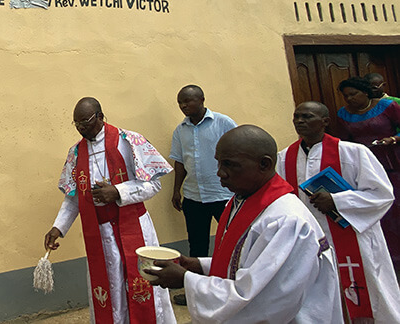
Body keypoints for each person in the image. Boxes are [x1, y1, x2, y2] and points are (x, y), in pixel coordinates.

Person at [146, 125, 343, 323]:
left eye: (230, 165)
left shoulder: (285, 220)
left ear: (264, 164)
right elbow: (250, 262)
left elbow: (261, 301)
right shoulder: (244, 200)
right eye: (219, 163)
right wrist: (200, 265)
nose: (220, 173)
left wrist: (185, 280)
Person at [44, 97, 176, 324]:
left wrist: (118, 192)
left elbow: (154, 184)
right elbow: (73, 198)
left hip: (135, 228)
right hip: (101, 233)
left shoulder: (129, 142)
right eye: (77, 124)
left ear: (100, 116)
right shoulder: (76, 153)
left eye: (85, 122)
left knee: (144, 286)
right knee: (111, 290)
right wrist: (58, 228)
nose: (81, 128)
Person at [275, 101, 400, 322]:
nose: (300, 121)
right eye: (296, 117)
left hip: (353, 238)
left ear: (325, 121)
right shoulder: (284, 158)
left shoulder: (353, 153)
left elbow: (382, 194)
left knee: (367, 291)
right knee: (318, 297)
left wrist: (337, 201)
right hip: (310, 241)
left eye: (307, 116)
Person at [168, 85, 236, 305]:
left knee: (231, 243)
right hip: (194, 197)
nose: (183, 106)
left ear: (202, 99)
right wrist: (176, 190)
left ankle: (232, 290)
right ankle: (195, 293)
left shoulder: (222, 123)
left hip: (223, 195)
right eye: (180, 102)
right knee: (197, 246)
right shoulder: (180, 130)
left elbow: (239, 151)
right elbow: (179, 162)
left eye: (187, 101)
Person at [337, 76, 400, 271]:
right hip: (365, 168)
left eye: (353, 94)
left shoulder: (387, 106)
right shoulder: (344, 114)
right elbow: (344, 141)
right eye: (346, 95)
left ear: (365, 92)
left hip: (393, 164)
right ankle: (389, 258)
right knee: (381, 214)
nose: (349, 99)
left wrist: (393, 139)